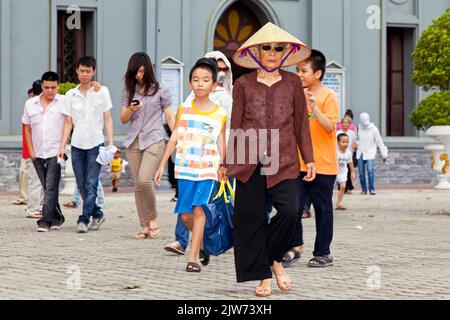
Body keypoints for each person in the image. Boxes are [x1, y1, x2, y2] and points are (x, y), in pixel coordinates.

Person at [220, 23, 315, 297]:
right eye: (267, 47)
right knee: (252, 219)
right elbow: (235, 125)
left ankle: (273, 260)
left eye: (278, 48)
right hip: (250, 159)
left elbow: (301, 125)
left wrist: (308, 158)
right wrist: (227, 163)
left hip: (282, 158)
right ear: (257, 52)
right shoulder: (243, 84)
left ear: (286, 53)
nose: (272, 53)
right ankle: (264, 276)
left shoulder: (293, 82)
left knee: (289, 211)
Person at [155, 57, 228, 273]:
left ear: (214, 85)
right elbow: (175, 135)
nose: (200, 84)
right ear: (190, 84)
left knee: (199, 211)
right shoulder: (184, 108)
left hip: (208, 170)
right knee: (186, 215)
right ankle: (203, 245)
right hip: (185, 170)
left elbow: (221, 141)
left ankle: (192, 258)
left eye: (205, 80)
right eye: (196, 80)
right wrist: (161, 165)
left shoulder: (220, 114)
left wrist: (224, 166)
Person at [284, 49, 339, 269]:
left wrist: (314, 107)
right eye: (296, 70)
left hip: (324, 165)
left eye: (303, 70)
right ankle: (295, 246)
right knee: (292, 207)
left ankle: (323, 253)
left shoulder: (328, 96)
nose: (298, 74)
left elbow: (330, 127)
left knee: (322, 209)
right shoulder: (296, 97)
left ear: (317, 73)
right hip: (299, 164)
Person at [120, 52, 175, 240]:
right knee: (137, 185)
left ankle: (153, 220)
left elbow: (169, 116)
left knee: (145, 180)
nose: (139, 75)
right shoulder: (128, 91)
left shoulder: (161, 90)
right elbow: (123, 118)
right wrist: (130, 109)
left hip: (154, 138)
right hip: (133, 141)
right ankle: (144, 226)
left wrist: (177, 137)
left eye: (142, 71)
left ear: (149, 70)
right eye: (136, 71)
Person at [59, 56, 114, 233]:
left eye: (88, 71)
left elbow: (108, 118)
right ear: (77, 71)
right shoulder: (70, 95)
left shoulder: (102, 91)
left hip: (96, 144)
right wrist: (62, 146)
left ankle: (83, 218)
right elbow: (68, 122)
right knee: (82, 183)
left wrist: (111, 143)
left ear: (93, 72)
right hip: (76, 145)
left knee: (91, 182)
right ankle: (97, 213)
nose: (84, 74)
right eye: (82, 70)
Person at [22, 72, 66, 232]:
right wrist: (31, 152)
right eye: (47, 87)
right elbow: (27, 129)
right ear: (42, 86)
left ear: (58, 86)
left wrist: (63, 147)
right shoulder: (30, 104)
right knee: (47, 186)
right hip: (37, 152)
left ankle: (45, 220)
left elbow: (69, 123)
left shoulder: (64, 101)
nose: (50, 91)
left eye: (53, 87)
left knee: (51, 186)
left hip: (57, 152)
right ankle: (57, 217)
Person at [355, 113, 388, 195]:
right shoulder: (358, 128)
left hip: (370, 152)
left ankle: (371, 189)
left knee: (370, 170)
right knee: (361, 173)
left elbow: (379, 142)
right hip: (360, 152)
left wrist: (384, 153)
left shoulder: (374, 129)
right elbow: (356, 139)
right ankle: (364, 189)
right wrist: (355, 143)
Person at [337, 117, 357, 194]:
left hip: (348, 154)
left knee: (347, 171)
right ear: (341, 124)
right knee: (340, 171)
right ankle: (341, 188)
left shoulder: (352, 133)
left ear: (349, 124)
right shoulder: (337, 133)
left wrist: (355, 147)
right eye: (343, 122)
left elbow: (354, 142)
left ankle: (348, 187)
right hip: (338, 154)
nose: (345, 124)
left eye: (347, 122)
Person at [336, 133, 355, 210]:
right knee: (329, 189)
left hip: (343, 172)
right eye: (343, 142)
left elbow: (350, 163)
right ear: (338, 142)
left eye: (347, 142)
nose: (346, 144)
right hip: (334, 172)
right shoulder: (335, 152)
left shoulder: (349, 153)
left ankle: (339, 203)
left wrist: (353, 172)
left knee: (343, 186)